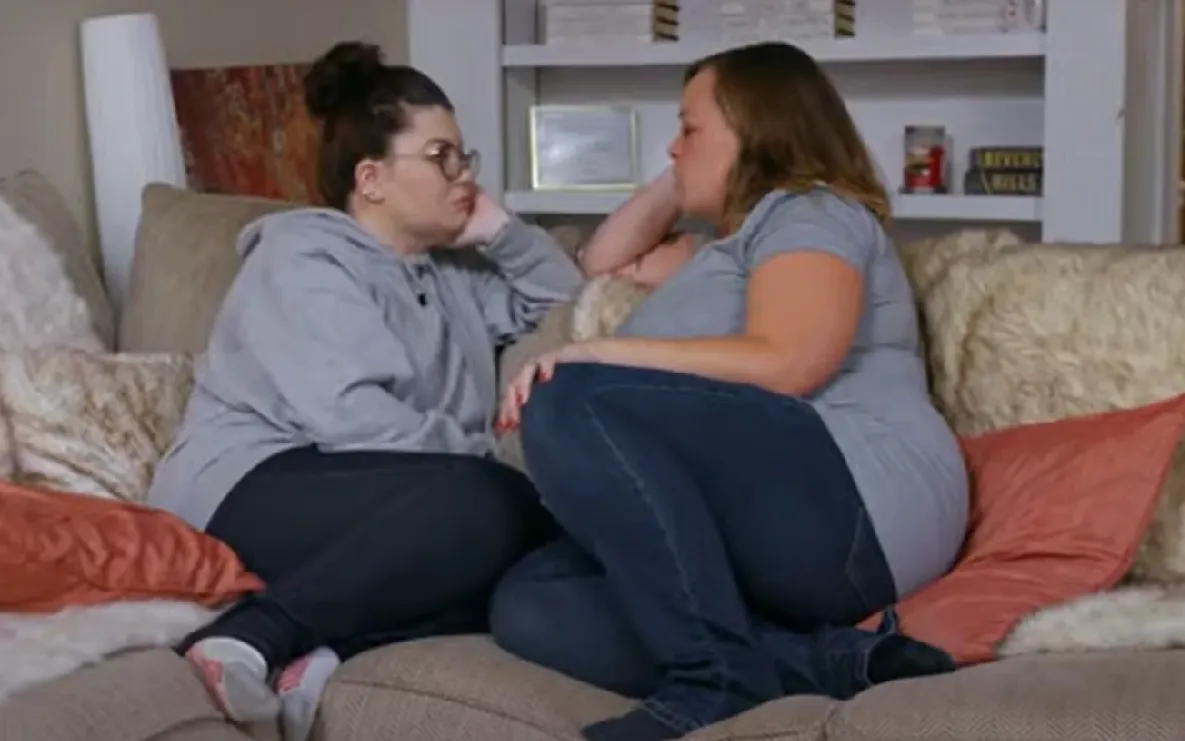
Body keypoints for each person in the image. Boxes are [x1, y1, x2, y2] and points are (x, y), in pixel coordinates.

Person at [488, 41, 970, 741]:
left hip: (860, 502)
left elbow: (789, 360)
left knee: (571, 397)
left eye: (688, 128)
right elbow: (604, 259)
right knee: (533, 599)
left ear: (757, 131)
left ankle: (711, 681)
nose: (672, 147)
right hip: (785, 513)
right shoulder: (719, 248)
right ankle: (827, 661)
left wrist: (592, 353)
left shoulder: (810, 212)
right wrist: (690, 168)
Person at [147, 41, 581, 741]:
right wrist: (485, 461)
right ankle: (249, 635)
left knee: (534, 561)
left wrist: (500, 232)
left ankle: (324, 651)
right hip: (248, 486)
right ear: (371, 178)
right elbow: (355, 423)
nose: (464, 175)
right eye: (442, 157)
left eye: (464, 156)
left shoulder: (454, 278)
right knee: (494, 504)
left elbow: (565, 302)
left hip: (386, 496)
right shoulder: (302, 257)